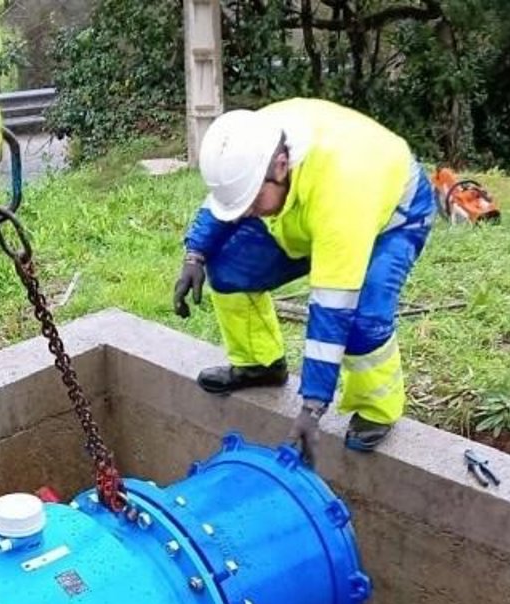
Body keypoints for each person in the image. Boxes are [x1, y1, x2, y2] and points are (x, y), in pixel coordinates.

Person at [172, 99, 435, 464]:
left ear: (282, 167)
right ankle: (261, 365)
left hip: (391, 218)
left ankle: (376, 407)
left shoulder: (341, 195)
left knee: (362, 318)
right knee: (230, 266)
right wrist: (196, 253)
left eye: (252, 201)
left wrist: (313, 405)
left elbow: (332, 308)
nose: (245, 212)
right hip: (300, 209)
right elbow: (229, 194)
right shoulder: (253, 141)